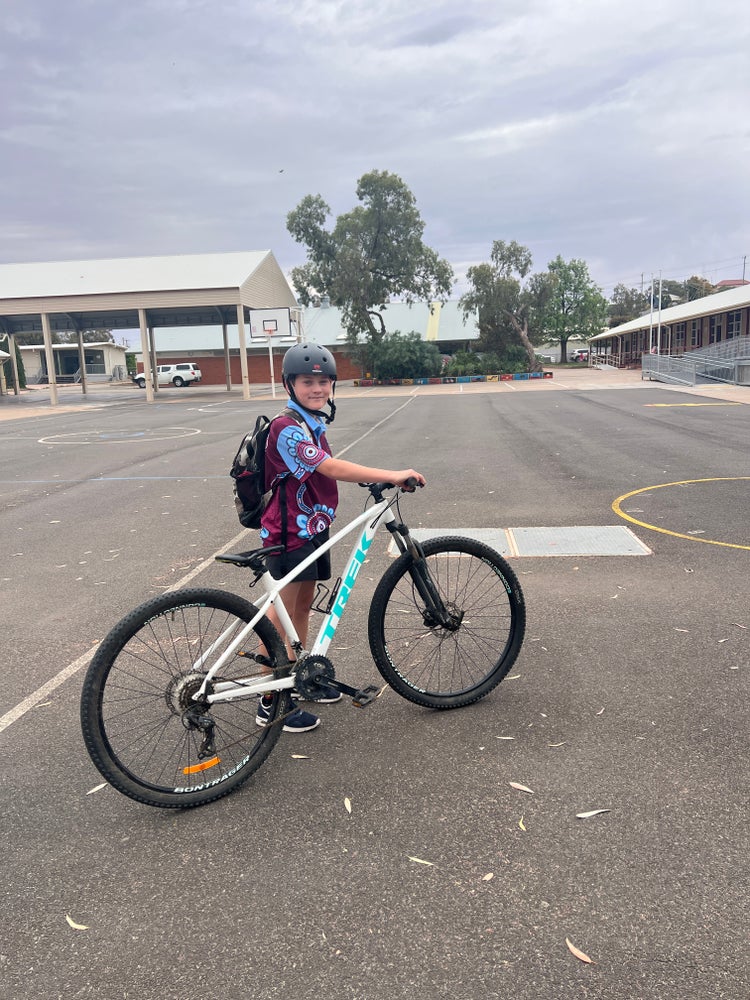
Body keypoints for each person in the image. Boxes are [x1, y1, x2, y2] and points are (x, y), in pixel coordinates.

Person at [255, 342, 425, 733]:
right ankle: (270, 699)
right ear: (290, 384)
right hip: (288, 532)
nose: (317, 388)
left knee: (301, 607)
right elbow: (329, 467)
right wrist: (391, 474)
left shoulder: (312, 423)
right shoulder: (286, 427)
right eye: (307, 382)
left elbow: (321, 469)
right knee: (280, 615)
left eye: (323, 381)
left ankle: (298, 678)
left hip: (312, 528)